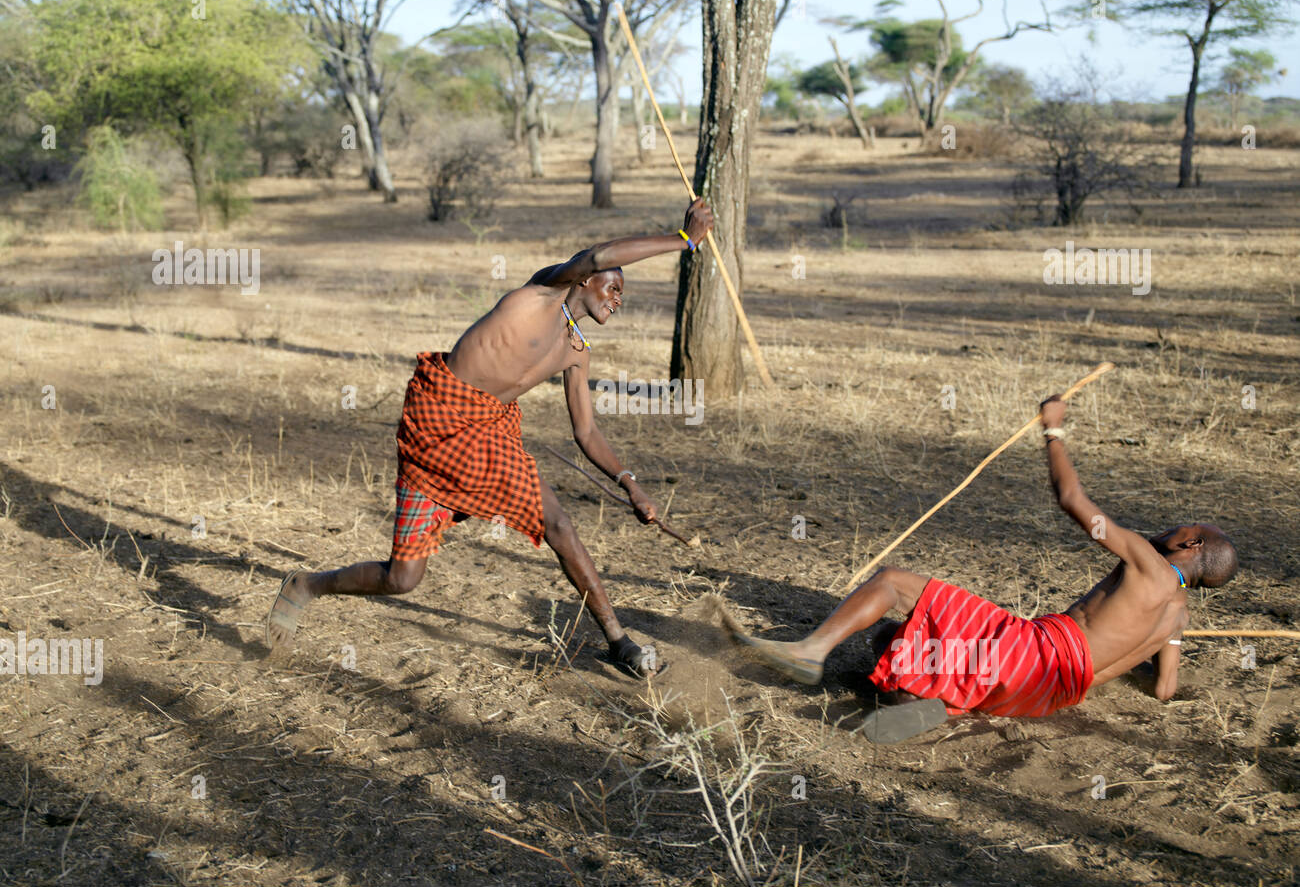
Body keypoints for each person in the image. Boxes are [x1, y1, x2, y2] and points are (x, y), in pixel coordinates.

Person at [267, 198, 716, 678]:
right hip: (437, 423)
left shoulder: (576, 351)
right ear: (585, 279)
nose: (617, 298)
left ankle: (619, 642)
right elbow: (601, 253)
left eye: (622, 294)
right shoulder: (545, 290)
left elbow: (585, 430)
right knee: (404, 577)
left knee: (540, 531)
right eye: (612, 286)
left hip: (487, 433)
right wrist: (683, 240)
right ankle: (307, 585)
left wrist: (629, 483)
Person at [723, 392, 1238, 741]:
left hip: (1030, 653)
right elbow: (1164, 689)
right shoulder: (1177, 619)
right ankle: (926, 706)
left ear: (1190, 545)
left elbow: (1072, 499)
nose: (1169, 528)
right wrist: (1128, 650)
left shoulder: (1148, 562)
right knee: (891, 642)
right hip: (1044, 696)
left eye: (1181, 527)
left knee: (894, 584)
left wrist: (1053, 432)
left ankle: (812, 651)